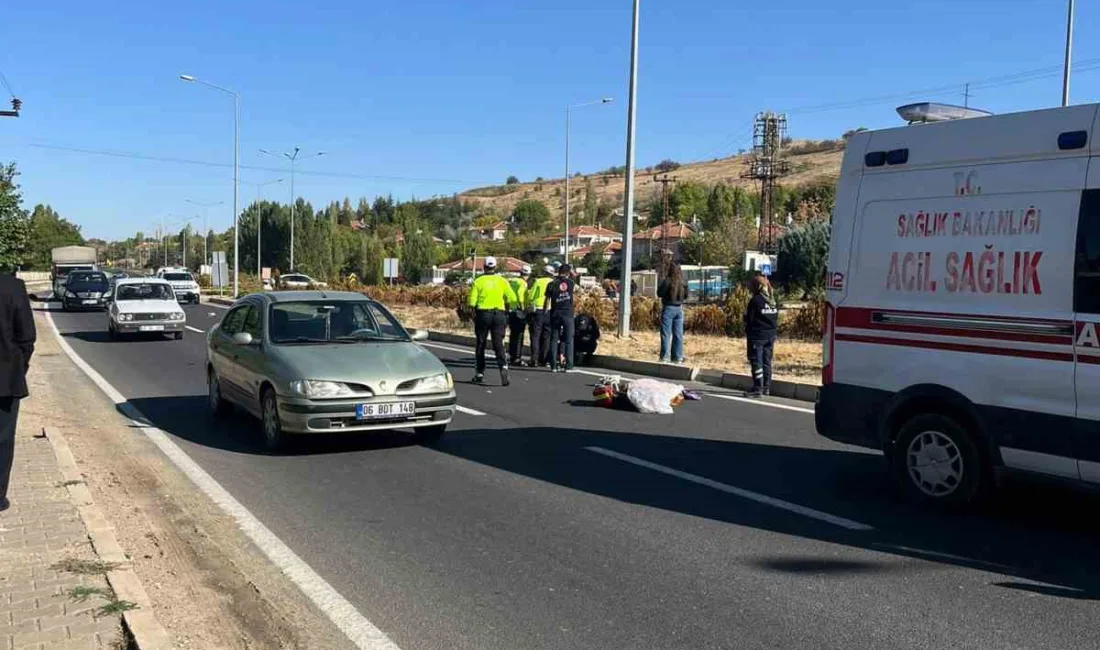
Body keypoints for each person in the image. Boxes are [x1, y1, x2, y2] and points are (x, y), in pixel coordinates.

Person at [0, 274, 35, 512]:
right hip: (6, 379)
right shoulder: (13, 286)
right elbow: (27, 337)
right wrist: (18, 368)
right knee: (2, 440)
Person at [466, 256, 517, 386]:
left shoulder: (478, 281)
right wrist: (507, 306)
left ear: (484, 267)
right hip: (499, 314)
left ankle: (479, 372)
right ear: (494, 267)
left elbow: (471, 302)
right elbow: (512, 298)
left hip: (483, 314)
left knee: (481, 343)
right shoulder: (502, 281)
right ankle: (503, 367)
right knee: (498, 343)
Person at [743, 274, 779, 398]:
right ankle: (766, 387)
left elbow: (750, 319)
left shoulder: (755, 301)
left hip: (757, 336)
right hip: (770, 335)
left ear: (756, 286)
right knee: (766, 362)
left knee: (756, 362)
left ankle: (757, 388)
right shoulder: (772, 301)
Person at [543, 263, 576, 373]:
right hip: (568, 314)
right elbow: (574, 276)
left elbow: (547, 300)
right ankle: (569, 366)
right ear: (568, 273)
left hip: (555, 313)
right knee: (569, 340)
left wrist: (545, 312)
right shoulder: (571, 283)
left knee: (553, 339)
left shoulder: (552, 284)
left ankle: (553, 366)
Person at [657, 261, 687, 363]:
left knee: (666, 334)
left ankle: (665, 357)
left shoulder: (667, 281)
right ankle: (678, 357)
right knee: (678, 334)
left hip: (668, 308)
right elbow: (686, 295)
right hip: (679, 309)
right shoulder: (682, 282)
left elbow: (659, 293)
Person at [528, 265, 554, 367]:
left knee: (535, 335)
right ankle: (544, 359)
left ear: (544, 272)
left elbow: (531, 296)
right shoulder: (554, 283)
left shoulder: (538, 281)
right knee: (546, 336)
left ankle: (534, 359)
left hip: (538, 310)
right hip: (550, 310)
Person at [506, 265, 530, 366]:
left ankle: (512, 356)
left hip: (510, 310)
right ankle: (517, 358)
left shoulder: (511, 281)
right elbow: (520, 296)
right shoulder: (523, 283)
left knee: (513, 335)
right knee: (519, 335)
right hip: (518, 310)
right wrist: (523, 308)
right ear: (528, 274)